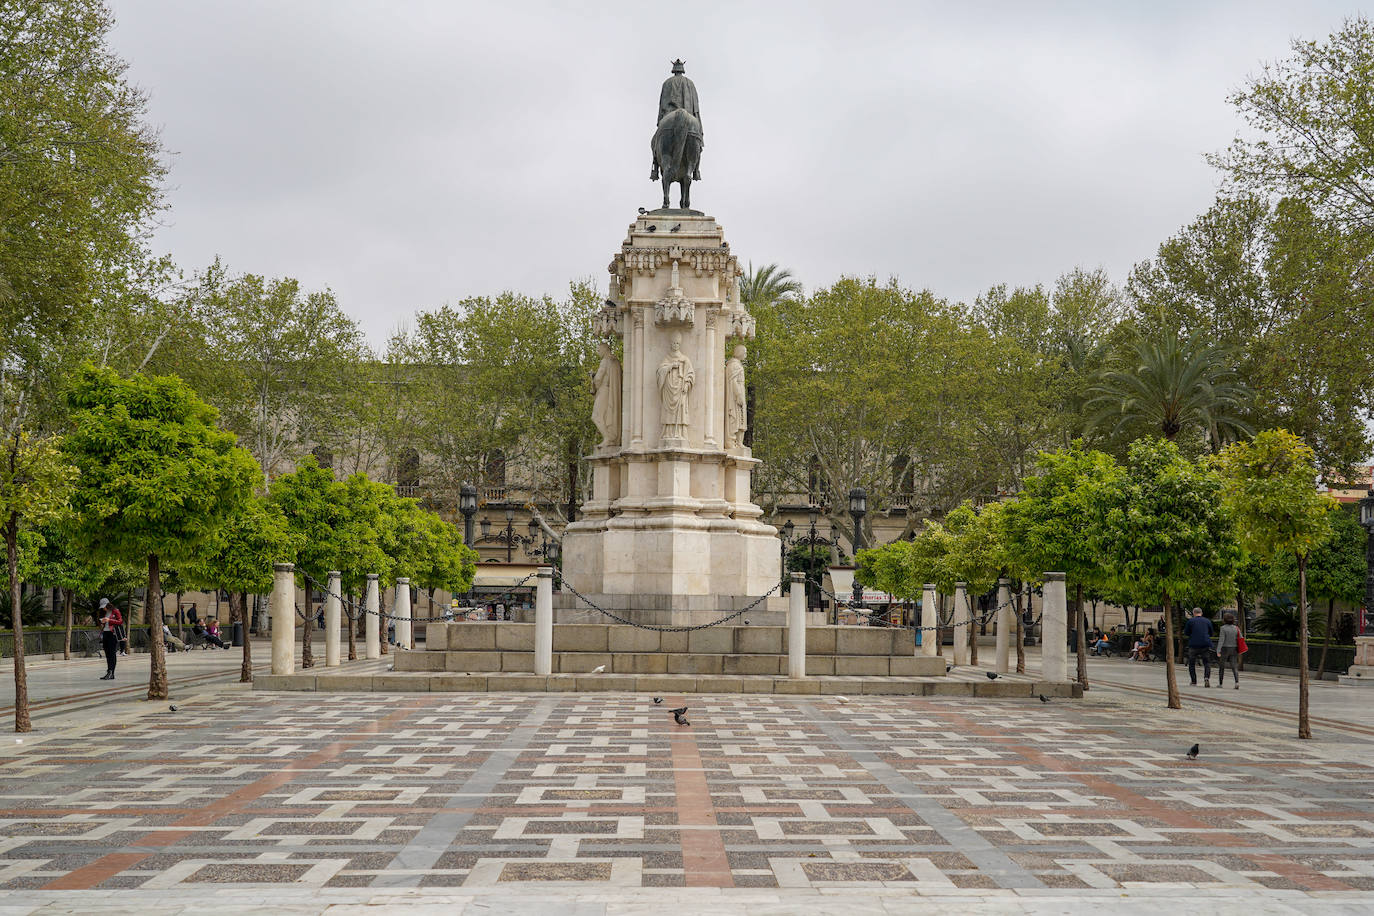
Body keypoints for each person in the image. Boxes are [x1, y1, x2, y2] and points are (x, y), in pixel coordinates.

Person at [1183, 607, 1215, 687]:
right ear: (1201, 613)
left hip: (1193, 645)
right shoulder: (1207, 621)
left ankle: (1194, 681)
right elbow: (1211, 633)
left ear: (1194, 613)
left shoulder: (1190, 621)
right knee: (1207, 662)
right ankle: (1206, 677)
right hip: (1205, 644)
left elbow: (1186, 632)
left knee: (1192, 663)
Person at [98, 598, 122, 680]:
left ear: (108, 604)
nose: (103, 608)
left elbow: (120, 621)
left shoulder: (115, 611)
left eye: (104, 606)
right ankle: (109, 672)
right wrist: (103, 621)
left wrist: (109, 620)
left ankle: (112, 672)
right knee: (107, 654)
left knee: (112, 654)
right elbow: (103, 623)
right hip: (105, 633)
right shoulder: (104, 612)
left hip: (113, 634)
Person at [1216, 611, 1241, 689]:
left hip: (1225, 648)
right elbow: (1240, 638)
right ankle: (1237, 682)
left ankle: (1220, 683)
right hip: (1234, 648)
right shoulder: (1236, 628)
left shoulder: (1223, 628)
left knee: (1222, 666)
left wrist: (1218, 650)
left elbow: (1221, 640)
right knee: (1234, 666)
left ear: (1224, 620)